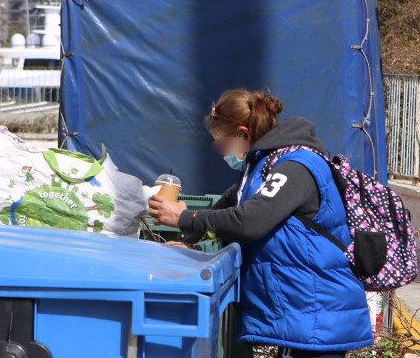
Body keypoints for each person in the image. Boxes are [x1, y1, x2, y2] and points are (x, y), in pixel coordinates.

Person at [148, 89, 373, 358]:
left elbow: (248, 222)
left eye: (222, 143)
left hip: (317, 311)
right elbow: (226, 210)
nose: (220, 151)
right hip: (301, 312)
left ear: (243, 133)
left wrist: (184, 217)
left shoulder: (295, 166)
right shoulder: (262, 166)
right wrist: (187, 241)